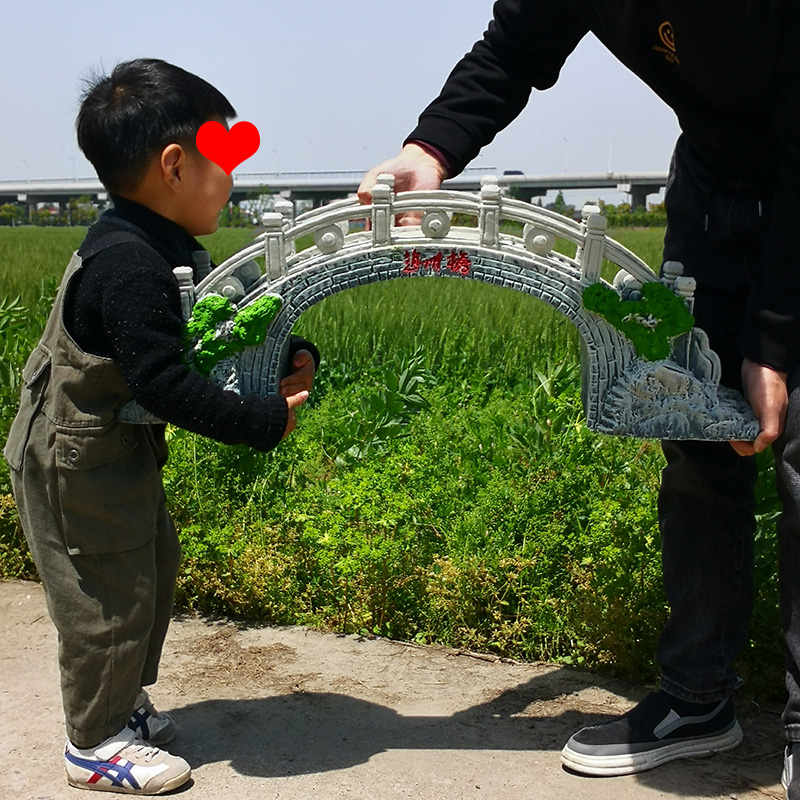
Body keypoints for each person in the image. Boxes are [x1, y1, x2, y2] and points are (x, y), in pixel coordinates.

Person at [359, 2, 800, 796]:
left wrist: (775, 340)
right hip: (714, 182)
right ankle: (699, 698)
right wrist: (430, 148)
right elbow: (515, 46)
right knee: (693, 421)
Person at [3, 58, 319, 795]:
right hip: (73, 462)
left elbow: (217, 332)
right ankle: (93, 740)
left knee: (148, 573)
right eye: (225, 159)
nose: (234, 179)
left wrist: (286, 355)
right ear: (175, 166)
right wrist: (259, 422)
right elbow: (166, 381)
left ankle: (122, 705)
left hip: (112, 451)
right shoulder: (128, 264)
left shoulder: (165, 242)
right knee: (105, 598)